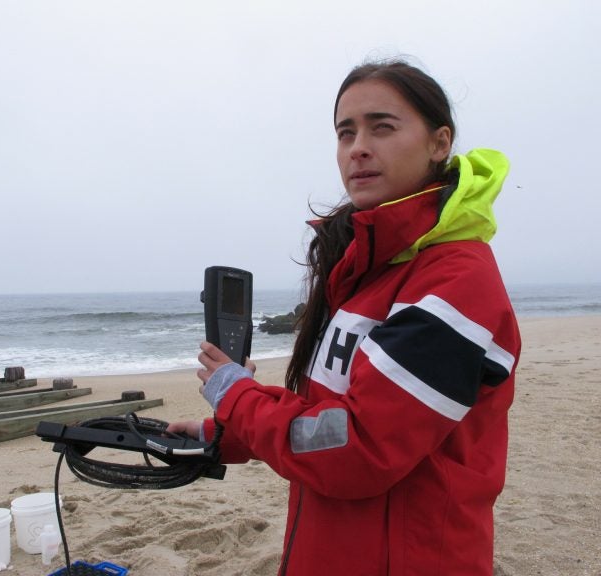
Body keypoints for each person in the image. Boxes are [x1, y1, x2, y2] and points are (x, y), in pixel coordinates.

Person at [170, 59, 521, 576]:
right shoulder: (363, 273)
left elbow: (355, 446)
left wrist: (236, 396)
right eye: (345, 132)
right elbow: (325, 410)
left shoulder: (455, 282)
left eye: (383, 127)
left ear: (439, 143)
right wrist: (223, 435)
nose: (358, 147)